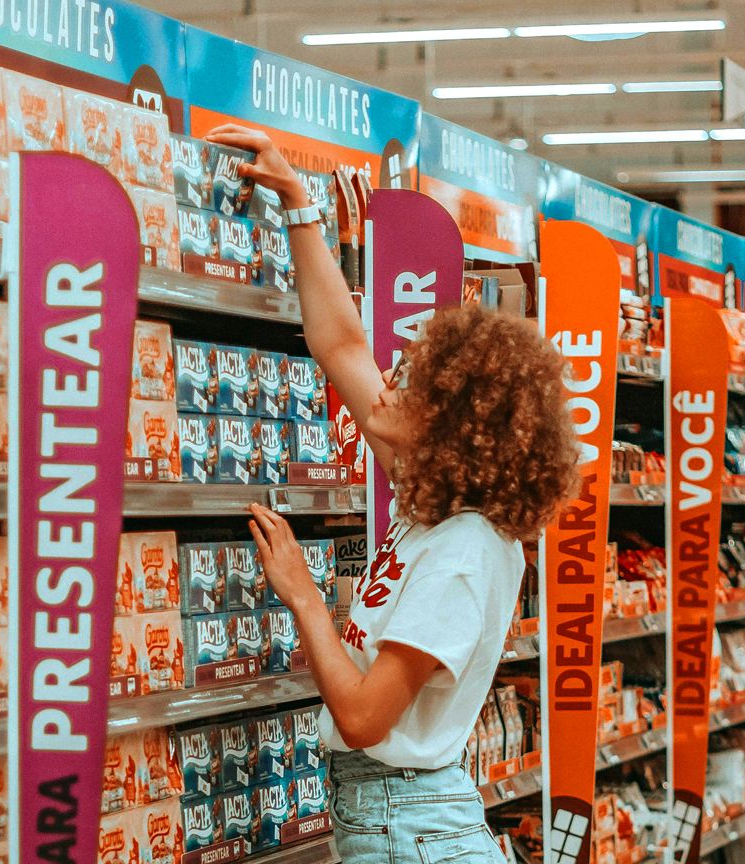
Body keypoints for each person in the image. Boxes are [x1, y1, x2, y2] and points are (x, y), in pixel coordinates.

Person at [205, 125, 580, 863]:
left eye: (412, 382)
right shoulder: (436, 506)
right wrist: (301, 205)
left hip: (410, 833)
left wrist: (303, 596)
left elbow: (364, 715)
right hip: (397, 820)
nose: (390, 382)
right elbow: (340, 345)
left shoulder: (464, 553)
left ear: (450, 425)